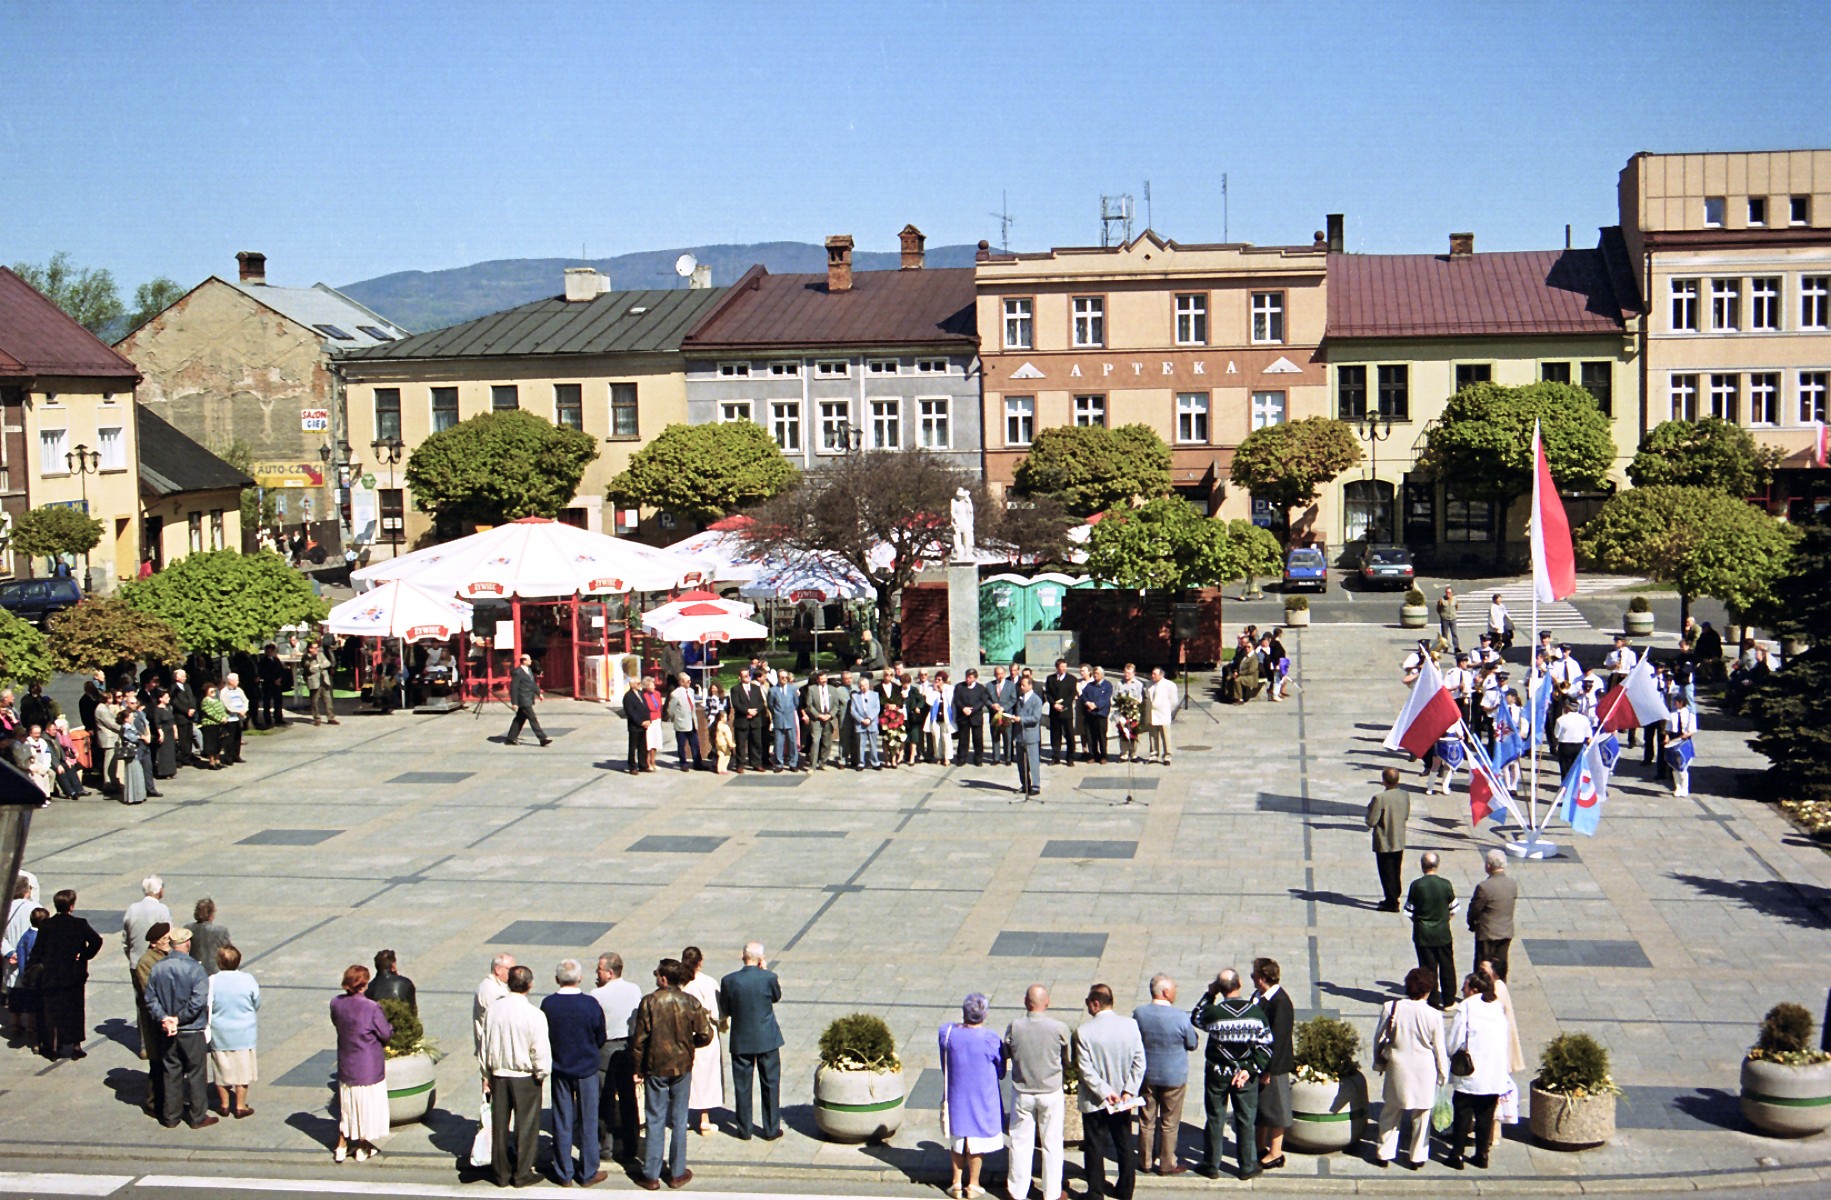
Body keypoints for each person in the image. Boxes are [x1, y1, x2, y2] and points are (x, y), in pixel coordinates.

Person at [631, 958, 714, 1190]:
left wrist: (637, 1069)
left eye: (657, 974)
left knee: (655, 1118)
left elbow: (639, 1041)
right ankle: (677, 1172)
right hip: (682, 1065)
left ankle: (651, 1173)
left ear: (664, 978)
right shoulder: (690, 1001)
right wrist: (690, 1045)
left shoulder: (649, 1002)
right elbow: (706, 1034)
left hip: (655, 1066)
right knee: (679, 1118)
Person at [1191, 968, 1271, 1180]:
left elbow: (1196, 1017)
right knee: (1245, 1119)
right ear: (1240, 984)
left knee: (1215, 1117)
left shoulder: (1214, 1013)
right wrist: (1249, 1069)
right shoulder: (1255, 1014)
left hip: (1217, 1073)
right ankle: (1247, 1165)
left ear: (1221, 988)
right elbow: (1265, 1047)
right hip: (1245, 1075)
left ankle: (1211, 1163)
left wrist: (1209, 994)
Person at [481, 964, 551, 1186]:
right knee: (527, 1125)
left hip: (499, 1074)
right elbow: (539, 1049)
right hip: (525, 1076)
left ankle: (500, 1173)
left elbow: (485, 1044)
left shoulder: (494, 1010)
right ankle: (522, 1172)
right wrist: (542, 1072)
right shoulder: (534, 1014)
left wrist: (486, 1073)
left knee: (500, 1125)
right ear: (529, 985)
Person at [1372, 968, 1449, 1169]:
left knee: (1391, 1110)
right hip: (1424, 1069)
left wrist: (1378, 1062)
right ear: (1428, 990)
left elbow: (1379, 1038)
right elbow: (1439, 1048)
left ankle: (1384, 1153)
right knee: (1422, 1115)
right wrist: (1443, 1073)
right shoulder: (1433, 1014)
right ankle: (1416, 1157)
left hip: (1398, 1066)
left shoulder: (1392, 1007)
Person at [1075, 982, 1146, 1200]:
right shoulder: (1130, 1025)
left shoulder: (1084, 1032)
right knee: (1124, 1144)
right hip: (1123, 1100)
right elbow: (1139, 1062)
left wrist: (1105, 1092)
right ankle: (1126, 1190)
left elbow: (1085, 1070)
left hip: (1095, 1100)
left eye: (1088, 1002)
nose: (1087, 1006)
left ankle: (1095, 1191)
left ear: (1095, 1004)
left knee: (1094, 1146)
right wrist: (1128, 1091)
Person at [543, 959, 608, 1187]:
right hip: (586, 1068)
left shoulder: (549, 1004)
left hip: (560, 1067)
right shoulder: (590, 1004)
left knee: (562, 1119)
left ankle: (563, 1172)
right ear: (580, 978)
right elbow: (600, 1036)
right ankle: (589, 1171)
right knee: (588, 1120)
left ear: (557, 979)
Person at [1005, 983, 1070, 1200]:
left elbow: (1006, 1051)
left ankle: (1017, 1190)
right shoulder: (1058, 1028)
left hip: (1022, 1090)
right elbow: (1068, 1059)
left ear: (1026, 1002)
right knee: (1052, 1142)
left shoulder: (1015, 1026)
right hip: (1050, 1091)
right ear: (1047, 1002)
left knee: (1020, 1141)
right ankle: (1051, 1193)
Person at [145, 926, 214, 1128]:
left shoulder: (158, 967)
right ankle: (198, 1116)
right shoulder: (195, 969)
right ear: (187, 944)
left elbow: (150, 999)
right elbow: (198, 1001)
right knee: (195, 1073)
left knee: (171, 1072)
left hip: (167, 1030)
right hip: (191, 1029)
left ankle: (171, 1116)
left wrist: (165, 1018)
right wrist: (179, 1018)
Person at [940, 993, 1005, 1200]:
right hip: (982, 1094)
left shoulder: (947, 1033)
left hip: (957, 1092)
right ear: (984, 1014)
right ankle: (973, 1184)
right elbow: (1001, 1069)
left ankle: (956, 1182)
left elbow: (945, 1063)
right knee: (976, 1140)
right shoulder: (990, 1039)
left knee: (959, 1137)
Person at [1444, 972, 1512, 1170]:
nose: (1462, 990)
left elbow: (1454, 1038)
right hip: (1493, 1073)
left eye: (1464, 987)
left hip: (1470, 1072)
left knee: (1463, 1113)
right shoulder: (1498, 1007)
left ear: (1473, 990)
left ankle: (1456, 1155)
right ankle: (1482, 1155)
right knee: (1485, 1116)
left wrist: (1450, 1053)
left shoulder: (1467, 1006)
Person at [718, 941, 784, 1142]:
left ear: (743, 956)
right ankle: (771, 1128)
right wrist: (764, 970)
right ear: (761, 959)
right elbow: (776, 997)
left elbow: (726, 1008)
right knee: (770, 1084)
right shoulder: (769, 977)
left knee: (742, 1085)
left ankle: (744, 1129)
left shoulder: (729, 980)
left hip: (742, 1040)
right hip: (767, 1039)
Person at [1134, 974, 1197, 1175]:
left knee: (1146, 1120)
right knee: (1169, 1123)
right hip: (1174, 1077)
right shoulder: (1180, 1017)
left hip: (1147, 1074)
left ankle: (1144, 1160)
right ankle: (1166, 1163)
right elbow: (1192, 1043)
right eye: (1174, 988)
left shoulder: (1140, 1013)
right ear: (1166, 992)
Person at [27, 888, 101, 1060]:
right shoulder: (80, 924)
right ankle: (76, 1046)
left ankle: (53, 1047)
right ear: (72, 906)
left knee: (53, 1013)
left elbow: (37, 951)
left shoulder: (46, 925)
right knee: (75, 1010)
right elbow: (96, 941)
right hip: (73, 975)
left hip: (51, 975)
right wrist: (83, 955)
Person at [330, 964, 392, 1162]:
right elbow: (385, 1033)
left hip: (347, 1063)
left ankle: (341, 1145)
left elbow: (337, 1023)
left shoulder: (336, 1003)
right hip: (368, 1066)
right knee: (366, 1108)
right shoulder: (371, 1008)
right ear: (364, 985)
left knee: (348, 1107)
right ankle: (362, 1147)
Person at [594, 952, 644, 1164]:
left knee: (604, 1100)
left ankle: (605, 1147)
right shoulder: (634, 989)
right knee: (628, 1098)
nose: (596, 973)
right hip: (629, 1047)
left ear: (609, 972)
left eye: (599, 969)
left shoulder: (597, 995)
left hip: (606, 1048)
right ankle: (631, 1145)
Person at [207, 944, 260, 1119]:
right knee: (243, 1070)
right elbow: (256, 1002)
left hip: (220, 1031)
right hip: (244, 1032)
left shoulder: (212, 980)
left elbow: (207, 1004)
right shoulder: (248, 979)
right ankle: (240, 1105)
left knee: (221, 1068)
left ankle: (223, 1104)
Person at [1251, 958, 1294, 1171]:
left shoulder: (1280, 1002)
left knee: (1277, 1109)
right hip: (1259, 1063)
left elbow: (1280, 1039)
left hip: (1273, 1067)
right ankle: (1259, 1145)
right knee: (1262, 1108)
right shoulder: (1259, 997)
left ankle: (1276, 1152)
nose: (1252, 979)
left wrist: (1269, 1070)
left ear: (1262, 978)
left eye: (1253, 975)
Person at [679, 946, 725, 1134]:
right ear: (700, 962)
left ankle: (682, 1115)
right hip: (704, 1033)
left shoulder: (681, 984)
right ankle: (704, 1118)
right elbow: (717, 1012)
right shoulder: (708, 982)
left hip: (684, 1033)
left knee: (687, 1075)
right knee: (705, 1075)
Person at [1406, 852, 1459, 1010]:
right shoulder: (1445, 884)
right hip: (1443, 932)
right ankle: (1449, 1000)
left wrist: (1419, 922)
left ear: (1422, 866)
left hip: (1423, 934)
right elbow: (1454, 908)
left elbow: (1409, 911)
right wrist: (1445, 919)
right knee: (1447, 966)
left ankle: (1432, 999)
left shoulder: (1416, 885)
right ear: (1437, 865)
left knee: (1427, 968)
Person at [134, 922, 173, 1099]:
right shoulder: (146, 962)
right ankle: (153, 1101)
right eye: (164, 939)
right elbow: (148, 990)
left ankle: (167, 1099)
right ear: (153, 943)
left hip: (168, 1015)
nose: (168, 941)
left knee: (167, 1062)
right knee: (157, 1062)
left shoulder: (167, 956)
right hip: (154, 1020)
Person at [1467, 850, 1518, 982]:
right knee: (1500, 967)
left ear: (1489, 866)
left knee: (1483, 966)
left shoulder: (1484, 887)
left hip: (1487, 933)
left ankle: (1483, 993)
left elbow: (1475, 909)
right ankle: (1500, 992)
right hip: (1505, 931)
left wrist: (1471, 923)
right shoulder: (1512, 884)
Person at [1366, 768, 1409, 912]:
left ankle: (1391, 902)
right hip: (1399, 838)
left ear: (1384, 780)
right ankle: (1394, 895)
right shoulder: (1404, 795)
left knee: (1386, 871)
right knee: (1396, 869)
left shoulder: (1379, 798)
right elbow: (1405, 814)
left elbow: (1371, 821)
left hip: (1384, 840)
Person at [504, 654, 552, 747]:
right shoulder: (518, 672)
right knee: (532, 718)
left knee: (520, 719)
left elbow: (532, 684)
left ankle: (510, 738)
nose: (531, 661)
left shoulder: (529, 670)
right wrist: (514, 702)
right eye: (529, 660)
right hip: (523, 699)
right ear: (524, 661)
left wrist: (539, 693)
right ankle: (542, 738)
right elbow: (514, 688)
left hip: (528, 697)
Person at [124, 876, 172, 968]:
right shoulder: (163, 909)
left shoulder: (132, 909)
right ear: (160, 890)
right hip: (158, 963)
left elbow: (125, 940)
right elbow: (169, 936)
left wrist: (131, 957)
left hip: (136, 962)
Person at [1012, 675, 1046, 798]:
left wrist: (1021, 719)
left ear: (1030, 685)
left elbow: (1036, 718)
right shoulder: (1020, 699)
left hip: (1031, 735)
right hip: (1020, 734)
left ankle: (1036, 785)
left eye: (1024, 685)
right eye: (1020, 685)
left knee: (1033, 761)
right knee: (1021, 762)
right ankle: (1025, 784)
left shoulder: (1036, 700)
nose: (1021, 687)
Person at [802, 670, 841, 770]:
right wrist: (818, 715)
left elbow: (836, 705)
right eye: (822, 680)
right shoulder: (812, 689)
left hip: (829, 718)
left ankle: (823, 763)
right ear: (818, 680)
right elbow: (809, 705)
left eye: (825, 680)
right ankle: (812, 766)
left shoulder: (833, 689)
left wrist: (830, 715)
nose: (824, 682)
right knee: (815, 741)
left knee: (827, 742)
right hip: (816, 719)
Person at [731, 669, 767, 774]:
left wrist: (755, 711)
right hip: (742, 720)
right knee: (741, 744)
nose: (747, 677)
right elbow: (736, 704)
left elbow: (761, 702)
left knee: (756, 743)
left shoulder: (756, 688)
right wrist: (747, 711)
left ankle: (756, 763)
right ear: (740, 677)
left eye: (748, 675)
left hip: (755, 720)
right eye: (744, 676)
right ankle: (740, 764)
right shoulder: (735, 689)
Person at [953, 668, 990, 767]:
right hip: (963, 717)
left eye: (970, 677)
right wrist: (963, 708)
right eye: (967, 677)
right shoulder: (959, 687)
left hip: (976, 717)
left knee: (977, 739)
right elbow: (956, 699)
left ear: (975, 678)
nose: (968, 679)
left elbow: (983, 701)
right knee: (963, 739)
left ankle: (978, 759)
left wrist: (973, 709)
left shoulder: (981, 688)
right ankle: (961, 758)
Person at [1043, 660, 1077, 765]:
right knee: (1055, 736)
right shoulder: (1050, 678)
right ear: (1057, 667)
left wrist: (1063, 705)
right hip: (1054, 712)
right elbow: (1048, 693)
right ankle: (1055, 757)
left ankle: (1070, 757)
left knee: (1069, 735)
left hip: (1066, 712)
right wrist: (1054, 704)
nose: (1063, 669)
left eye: (1065, 667)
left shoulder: (1072, 679)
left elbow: (1072, 694)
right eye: (1061, 667)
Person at [668, 673, 705, 772]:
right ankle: (683, 763)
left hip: (691, 721)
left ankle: (697, 763)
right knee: (681, 745)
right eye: (687, 681)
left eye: (690, 681)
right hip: (681, 723)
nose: (690, 683)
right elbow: (671, 709)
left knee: (695, 744)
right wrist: (675, 718)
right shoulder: (675, 694)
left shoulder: (691, 691)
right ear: (681, 682)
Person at [766, 670, 800, 772]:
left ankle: (793, 763)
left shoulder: (793, 689)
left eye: (786, 677)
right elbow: (770, 705)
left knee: (792, 742)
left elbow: (796, 703)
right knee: (778, 743)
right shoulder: (773, 690)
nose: (784, 679)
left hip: (790, 718)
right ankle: (779, 764)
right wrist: (777, 713)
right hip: (779, 719)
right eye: (782, 677)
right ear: (778, 678)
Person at [188, 899, 232, 977]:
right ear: (211, 915)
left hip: (193, 972)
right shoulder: (221, 931)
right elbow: (229, 953)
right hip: (214, 973)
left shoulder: (188, 929)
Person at [1144, 668, 1177, 765]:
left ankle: (1167, 756)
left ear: (1161, 675)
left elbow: (1173, 700)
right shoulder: (1148, 684)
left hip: (1163, 714)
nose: (1152, 676)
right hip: (1152, 714)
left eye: (1155, 674)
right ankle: (1154, 754)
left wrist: (1168, 710)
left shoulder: (1169, 685)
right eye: (1152, 674)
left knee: (1165, 736)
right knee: (1153, 736)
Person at [849, 674, 883, 770]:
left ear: (869, 685)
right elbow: (853, 711)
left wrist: (869, 718)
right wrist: (861, 720)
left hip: (872, 723)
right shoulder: (855, 696)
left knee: (873, 745)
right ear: (859, 686)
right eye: (862, 685)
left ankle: (875, 762)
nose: (864, 687)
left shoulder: (875, 695)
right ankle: (861, 763)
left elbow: (877, 708)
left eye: (866, 685)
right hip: (860, 724)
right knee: (861, 745)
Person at [1667, 693, 1697, 797]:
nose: (1675, 703)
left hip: (1684, 740)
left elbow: (1693, 729)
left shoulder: (1689, 714)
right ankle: (1677, 787)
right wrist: (1667, 737)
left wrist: (1686, 734)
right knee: (1675, 766)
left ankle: (1685, 788)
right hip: (1674, 739)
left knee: (1683, 766)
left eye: (1676, 701)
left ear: (1681, 703)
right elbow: (1668, 728)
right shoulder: (1672, 714)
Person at [1081, 666, 1113, 764]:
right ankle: (1093, 755)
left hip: (1101, 714)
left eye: (1097, 673)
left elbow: (1106, 698)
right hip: (1090, 714)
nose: (1095, 675)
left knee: (1101, 736)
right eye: (1094, 674)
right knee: (1091, 736)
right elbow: (1084, 695)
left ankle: (1103, 755)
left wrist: (1096, 705)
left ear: (1102, 674)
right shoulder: (1089, 685)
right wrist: (1087, 703)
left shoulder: (1107, 685)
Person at [621, 677, 653, 773]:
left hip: (644, 725)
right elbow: (630, 713)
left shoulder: (641, 694)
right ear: (632, 685)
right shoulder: (628, 697)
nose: (640, 685)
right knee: (633, 747)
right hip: (635, 726)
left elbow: (646, 708)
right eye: (638, 683)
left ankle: (643, 765)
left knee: (643, 747)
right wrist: (640, 722)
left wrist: (648, 720)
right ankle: (632, 767)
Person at [219, 673, 249, 765]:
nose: (238, 682)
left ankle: (236, 755)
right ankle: (228, 757)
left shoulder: (239, 690)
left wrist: (244, 709)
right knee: (229, 739)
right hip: (230, 718)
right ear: (230, 681)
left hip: (239, 718)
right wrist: (238, 711)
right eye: (236, 680)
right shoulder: (224, 692)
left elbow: (245, 700)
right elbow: (227, 705)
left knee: (237, 738)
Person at [255, 643, 287, 729]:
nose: (269, 653)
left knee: (278, 702)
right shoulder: (263, 661)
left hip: (277, 684)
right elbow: (263, 673)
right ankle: (267, 720)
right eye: (267, 651)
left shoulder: (276, 660)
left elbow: (281, 670)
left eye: (271, 651)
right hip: (268, 684)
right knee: (267, 703)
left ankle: (278, 718)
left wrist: (279, 679)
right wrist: (273, 680)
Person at [198, 683, 228, 769]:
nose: (213, 692)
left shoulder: (217, 700)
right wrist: (220, 719)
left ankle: (218, 761)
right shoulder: (205, 701)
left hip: (219, 725)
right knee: (211, 744)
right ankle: (211, 762)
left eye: (214, 690)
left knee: (218, 743)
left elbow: (223, 710)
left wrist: (225, 717)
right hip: (210, 725)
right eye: (211, 691)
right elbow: (210, 713)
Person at [1437, 588, 1460, 653]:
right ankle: (1445, 647)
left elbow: (1456, 607)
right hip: (1445, 619)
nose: (1448, 594)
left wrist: (1454, 614)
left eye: (1449, 593)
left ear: (1452, 593)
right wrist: (1441, 615)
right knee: (1445, 634)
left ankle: (1456, 648)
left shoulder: (1455, 600)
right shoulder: (1442, 600)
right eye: (1447, 592)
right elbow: (1438, 608)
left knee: (1454, 634)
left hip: (1452, 619)